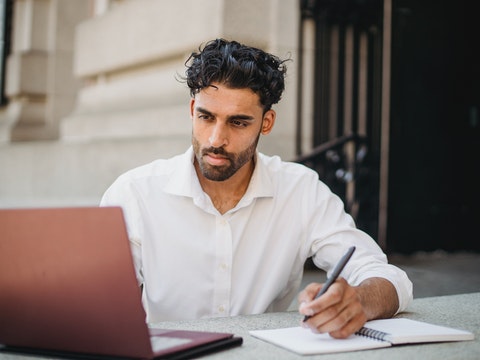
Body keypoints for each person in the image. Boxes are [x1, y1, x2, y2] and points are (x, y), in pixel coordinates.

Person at [100, 38, 412, 338]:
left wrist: (357, 300)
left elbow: (389, 278)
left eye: (238, 123)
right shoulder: (134, 193)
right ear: (192, 108)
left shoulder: (300, 190)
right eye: (206, 117)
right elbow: (99, 302)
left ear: (266, 122)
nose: (215, 140)